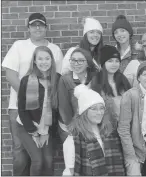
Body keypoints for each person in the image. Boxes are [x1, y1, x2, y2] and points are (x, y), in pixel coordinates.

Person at [1, 12, 63, 176]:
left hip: (46, 112)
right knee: (20, 153)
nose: (37, 28)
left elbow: (58, 80)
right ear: (28, 27)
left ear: (46, 28)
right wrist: (30, 96)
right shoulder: (19, 45)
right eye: (33, 25)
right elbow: (10, 74)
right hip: (19, 109)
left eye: (41, 25)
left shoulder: (55, 50)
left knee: (44, 157)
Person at [62, 84, 126, 176]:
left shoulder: (109, 132)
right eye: (94, 109)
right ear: (84, 112)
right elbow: (70, 172)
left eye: (101, 108)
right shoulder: (74, 139)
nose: (99, 112)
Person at [17, 46, 61, 176]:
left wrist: (46, 132)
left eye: (47, 58)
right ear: (34, 61)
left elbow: (57, 109)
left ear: (52, 60)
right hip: (27, 126)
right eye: (40, 59)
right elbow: (21, 108)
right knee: (38, 161)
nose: (44, 62)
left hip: (46, 127)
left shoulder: (57, 78)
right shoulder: (26, 80)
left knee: (48, 161)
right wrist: (34, 132)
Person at [57, 48, 99, 142]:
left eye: (80, 60)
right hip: (71, 127)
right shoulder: (65, 79)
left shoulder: (95, 78)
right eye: (73, 60)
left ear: (88, 63)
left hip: (91, 126)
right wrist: (72, 129)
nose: (76, 63)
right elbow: (64, 108)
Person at [90, 45, 131, 117]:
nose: (114, 64)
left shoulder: (123, 79)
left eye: (117, 61)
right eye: (110, 61)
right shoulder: (96, 82)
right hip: (106, 125)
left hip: (125, 124)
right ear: (103, 63)